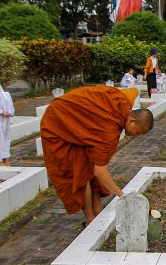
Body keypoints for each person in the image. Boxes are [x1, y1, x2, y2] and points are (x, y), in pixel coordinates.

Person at [40, 86, 152, 225]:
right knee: (82, 172)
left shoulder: (123, 99)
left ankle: (98, 212)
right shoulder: (109, 131)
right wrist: (123, 197)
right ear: (131, 121)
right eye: (137, 132)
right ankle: (90, 219)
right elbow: (100, 171)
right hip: (58, 122)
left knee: (92, 165)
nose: (135, 136)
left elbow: (133, 90)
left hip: (74, 119)